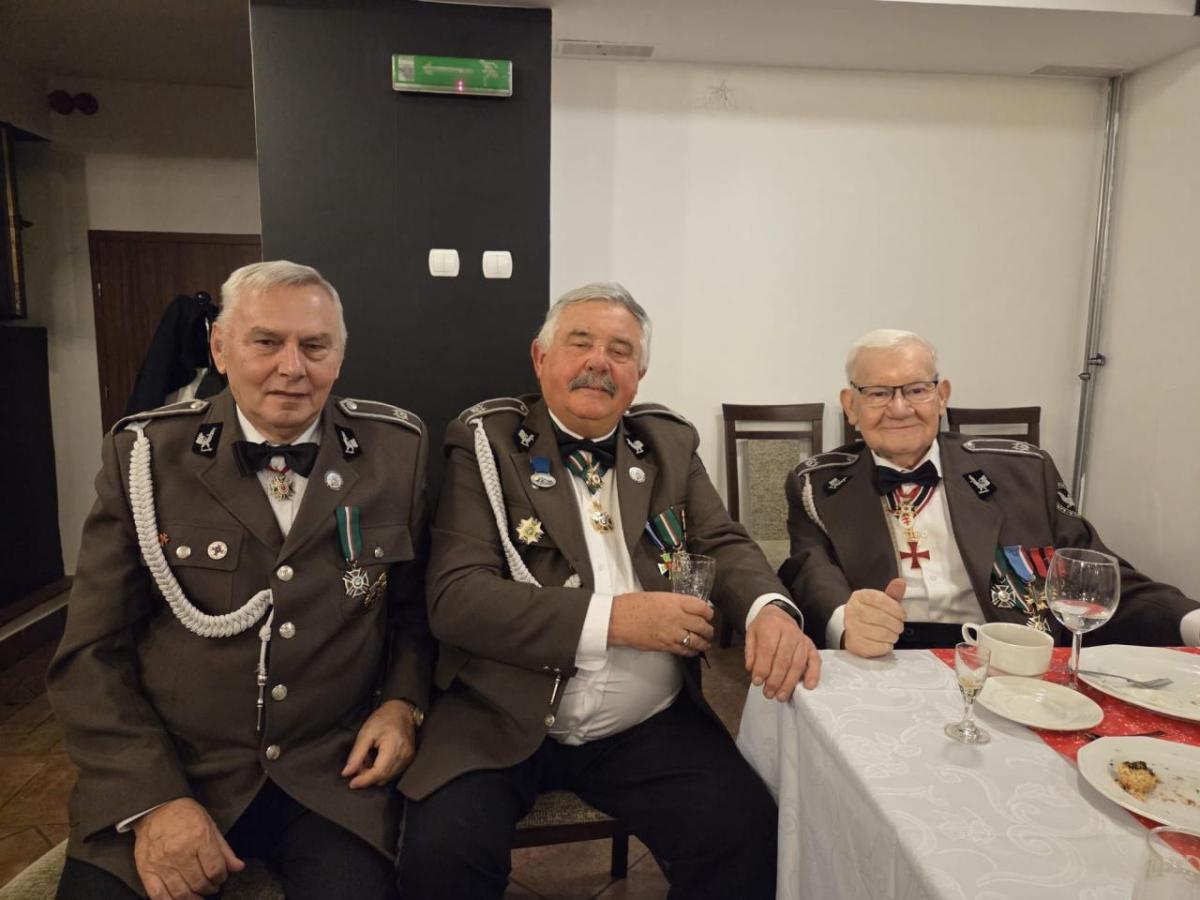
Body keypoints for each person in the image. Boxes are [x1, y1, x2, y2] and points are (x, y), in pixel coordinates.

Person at [395, 282, 819, 899]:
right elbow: (456, 598)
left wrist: (769, 609)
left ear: (638, 375)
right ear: (540, 357)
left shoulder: (669, 442)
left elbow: (723, 541)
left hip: (648, 721)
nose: (600, 361)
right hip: (499, 716)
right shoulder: (486, 442)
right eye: (581, 342)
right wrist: (615, 620)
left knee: (747, 834)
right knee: (440, 858)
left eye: (621, 350)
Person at [48, 261, 433, 900]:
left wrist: (402, 704)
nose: (292, 367)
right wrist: (153, 799)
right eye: (266, 342)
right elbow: (90, 655)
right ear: (220, 349)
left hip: (329, 775)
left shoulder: (397, 451)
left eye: (315, 346)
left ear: (339, 356)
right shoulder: (146, 456)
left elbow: (414, 614)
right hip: (177, 768)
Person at [781, 328, 1198, 657]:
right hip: (883, 660)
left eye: (916, 389)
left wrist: (1189, 621)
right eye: (877, 393)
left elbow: (1093, 575)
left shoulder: (1025, 471)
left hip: (1006, 661)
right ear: (851, 406)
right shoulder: (816, 485)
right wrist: (846, 622)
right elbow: (811, 572)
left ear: (941, 396)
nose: (900, 408)